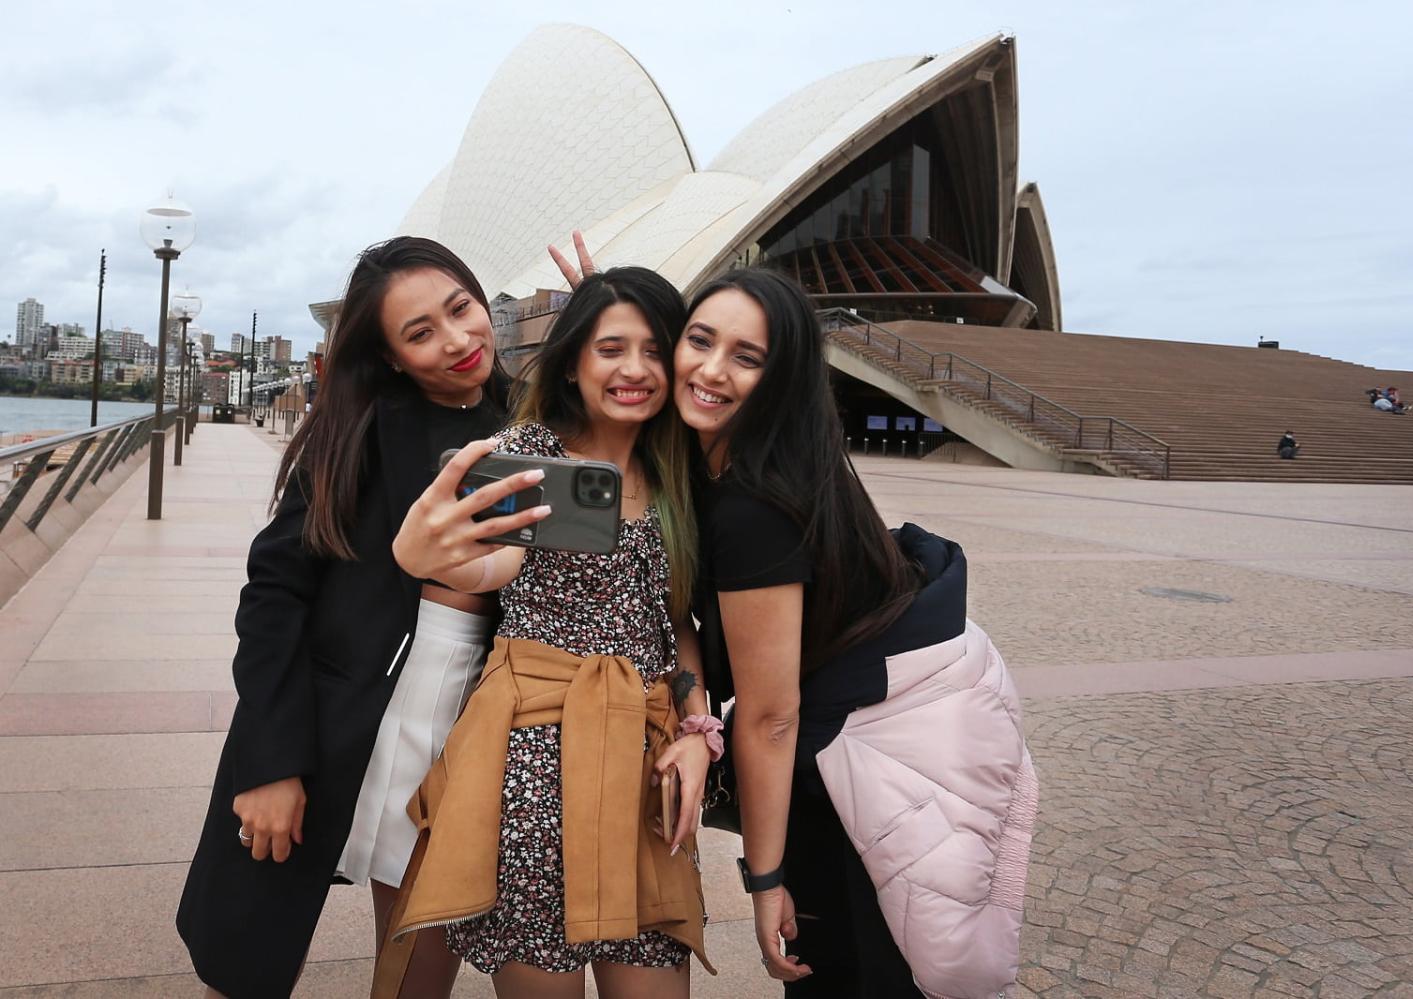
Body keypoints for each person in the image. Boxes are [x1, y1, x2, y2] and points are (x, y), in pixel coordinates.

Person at [552, 243, 1035, 999]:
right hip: (865, 737)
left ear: (779, 379)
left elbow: (772, 717)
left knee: (861, 970)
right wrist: (600, 324)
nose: (711, 370)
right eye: (700, 340)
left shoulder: (753, 504)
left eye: (747, 357)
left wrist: (765, 878)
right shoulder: (726, 458)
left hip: (872, 757)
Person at [175, 236, 550, 999]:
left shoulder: (535, 424)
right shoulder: (361, 430)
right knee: (246, 949)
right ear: (390, 357)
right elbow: (274, 589)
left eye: (461, 308)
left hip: (463, 722)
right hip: (331, 711)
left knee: (415, 964)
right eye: (420, 333)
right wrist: (269, 760)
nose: (456, 339)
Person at [381, 266, 715, 999]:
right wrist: (427, 557)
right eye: (610, 348)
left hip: (646, 775)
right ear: (573, 361)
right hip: (533, 772)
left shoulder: (683, 465)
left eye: (654, 349)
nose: (634, 369)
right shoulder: (530, 450)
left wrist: (699, 728)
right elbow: (494, 561)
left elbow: (678, 621)